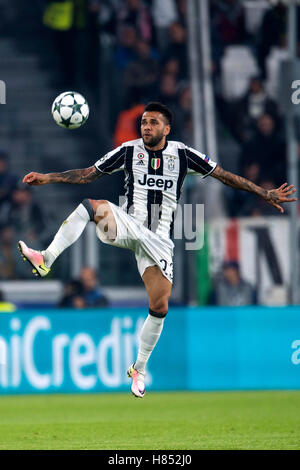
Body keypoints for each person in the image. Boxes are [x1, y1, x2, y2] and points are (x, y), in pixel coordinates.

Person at [18, 101, 297, 398]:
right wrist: (49, 178)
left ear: (167, 128)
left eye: (152, 123)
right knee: (91, 206)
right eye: (143, 123)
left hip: (159, 241)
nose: (146, 127)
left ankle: (138, 368)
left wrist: (263, 192)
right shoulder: (128, 150)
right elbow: (88, 174)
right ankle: (46, 258)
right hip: (127, 223)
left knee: (160, 307)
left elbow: (225, 176)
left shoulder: (183, 154)